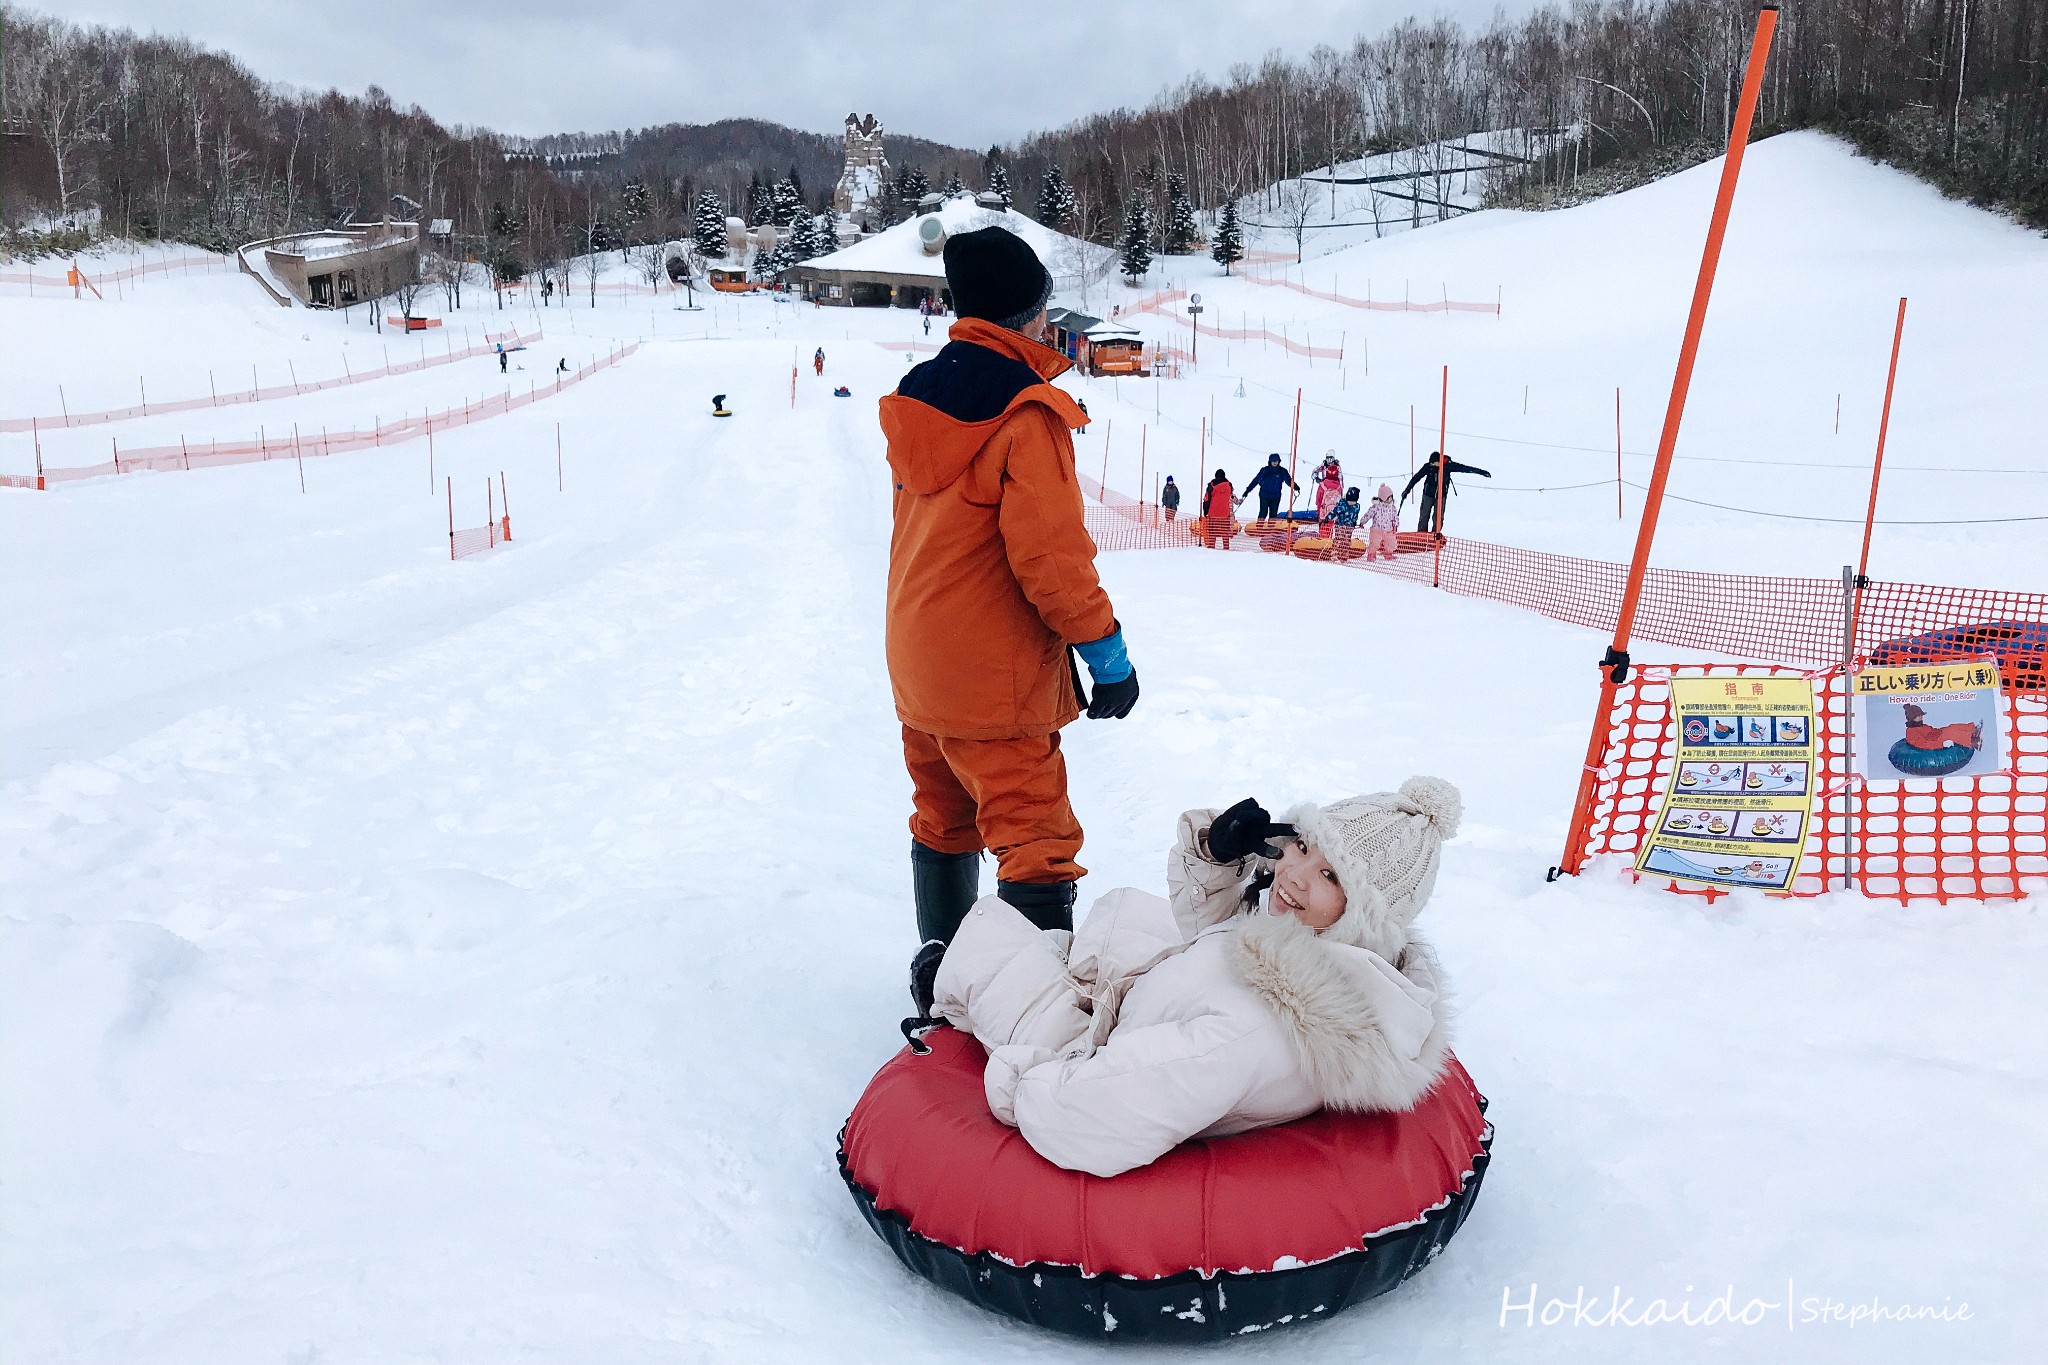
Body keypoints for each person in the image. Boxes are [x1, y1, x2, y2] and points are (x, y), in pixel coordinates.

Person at [906, 779, 1462, 1178]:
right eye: (1300, 845)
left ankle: (942, 982)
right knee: (1122, 909)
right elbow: (1221, 938)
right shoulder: (1319, 951)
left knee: (986, 934)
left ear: (1365, 914)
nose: (1290, 873)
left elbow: (1085, 1117)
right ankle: (1049, 966)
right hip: (1152, 1001)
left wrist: (1019, 1074)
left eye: (1328, 874)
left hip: (1087, 1050)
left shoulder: (1255, 1029)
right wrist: (1218, 859)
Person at [880, 225, 1141, 951]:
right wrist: (1106, 654)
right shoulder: (1025, 414)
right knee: (1034, 837)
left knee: (944, 817)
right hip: (993, 681)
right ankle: (1028, 1017)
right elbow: (1053, 561)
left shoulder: (917, 398)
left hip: (919, 664)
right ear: (1027, 315)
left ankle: (946, 975)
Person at [1401, 453, 1491, 535]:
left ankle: (1435, 536)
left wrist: (1481, 472)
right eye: (1431, 463)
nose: (1432, 465)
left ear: (1439, 462)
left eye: (1434, 463)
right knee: (1424, 515)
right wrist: (1407, 490)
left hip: (1441, 496)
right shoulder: (1428, 466)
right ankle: (1421, 535)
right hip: (1428, 495)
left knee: (1438, 518)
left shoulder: (1448, 466)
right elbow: (1416, 477)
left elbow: (1465, 468)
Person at [1238, 454, 1298, 523]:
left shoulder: (1282, 471)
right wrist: (1248, 490)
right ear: (1270, 461)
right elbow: (1256, 480)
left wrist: (1295, 486)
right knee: (1263, 513)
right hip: (1264, 496)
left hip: (1276, 497)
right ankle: (1259, 528)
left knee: (1273, 515)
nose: (1274, 462)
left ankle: (1271, 530)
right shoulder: (1265, 470)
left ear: (1279, 461)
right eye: (1273, 461)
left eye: (1276, 461)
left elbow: (1288, 480)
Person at [1361, 483, 1399, 560]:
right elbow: (1368, 514)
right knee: (1374, 543)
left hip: (1389, 530)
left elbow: (1395, 517)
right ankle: (1371, 554)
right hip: (1376, 530)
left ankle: (1388, 553)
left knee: (1391, 542)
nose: (1391, 499)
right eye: (1389, 497)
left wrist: (1395, 525)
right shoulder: (1376, 507)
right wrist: (1362, 522)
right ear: (1383, 497)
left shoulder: (1392, 508)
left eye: (1391, 497)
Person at [1201, 468, 1235, 548]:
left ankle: (1212, 546)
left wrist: (1205, 511)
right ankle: (1226, 547)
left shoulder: (1211, 486)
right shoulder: (1229, 485)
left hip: (1213, 513)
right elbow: (1231, 496)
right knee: (1225, 532)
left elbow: (1207, 499)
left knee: (1212, 532)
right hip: (1225, 513)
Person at [1327, 485, 1364, 557]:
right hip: (1340, 525)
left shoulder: (1357, 506)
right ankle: (1335, 553)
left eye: (1353, 502)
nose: (1351, 503)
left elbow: (1355, 515)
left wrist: (1354, 522)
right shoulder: (1342, 505)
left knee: (1346, 541)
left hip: (1349, 527)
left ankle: (1344, 555)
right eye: (1350, 501)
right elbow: (1335, 512)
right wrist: (1328, 517)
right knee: (1339, 539)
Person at [1312, 451, 1344, 522]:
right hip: (1327, 487)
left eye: (1331, 458)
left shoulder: (1337, 467)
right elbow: (1314, 471)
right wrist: (1316, 478)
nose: (1329, 460)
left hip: (1329, 487)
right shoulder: (1323, 465)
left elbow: (1341, 479)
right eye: (1328, 458)